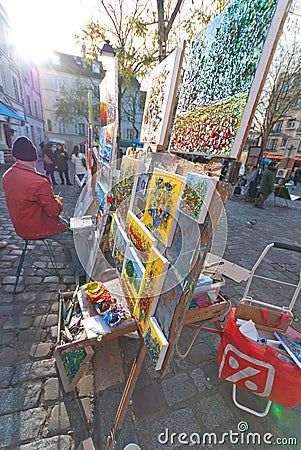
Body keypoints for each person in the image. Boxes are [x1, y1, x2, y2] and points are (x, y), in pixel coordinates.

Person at [2, 136, 85, 278]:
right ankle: (81, 274)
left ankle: (69, 258)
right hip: (37, 226)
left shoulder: (7, 175)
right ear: (34, 159)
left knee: (68, 226)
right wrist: (58, 201)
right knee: (75, 240)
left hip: (21, 225)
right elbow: (54, 212)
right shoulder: (37, 181)